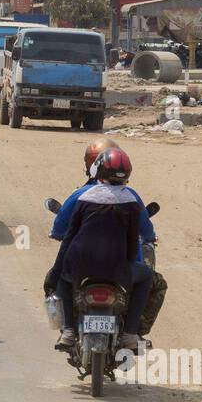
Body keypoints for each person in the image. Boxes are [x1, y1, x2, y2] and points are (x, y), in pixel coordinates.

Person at [45, 149, 153, 353]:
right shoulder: (131, 202)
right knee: (147, 278)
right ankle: (130, 334)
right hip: (117, 269)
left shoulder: (84, 198)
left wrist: (58, 271)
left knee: (62, 281)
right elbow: (132, 242)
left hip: (80, 267)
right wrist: (127, 269)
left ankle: (67, 330)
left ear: (97, 171)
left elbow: (68, 237)